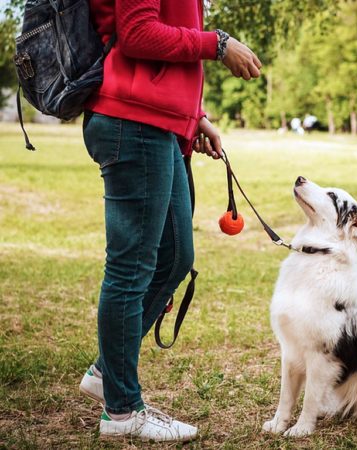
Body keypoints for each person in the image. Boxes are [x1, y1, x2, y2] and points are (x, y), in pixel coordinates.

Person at [77, 0, 261, 442]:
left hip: (160, 121)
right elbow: (138, 34)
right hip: (132, 120)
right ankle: (122, 412)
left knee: (175, 256)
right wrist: (218, 44)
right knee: (131, 267)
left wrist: (193, 117)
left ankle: (108, 370)